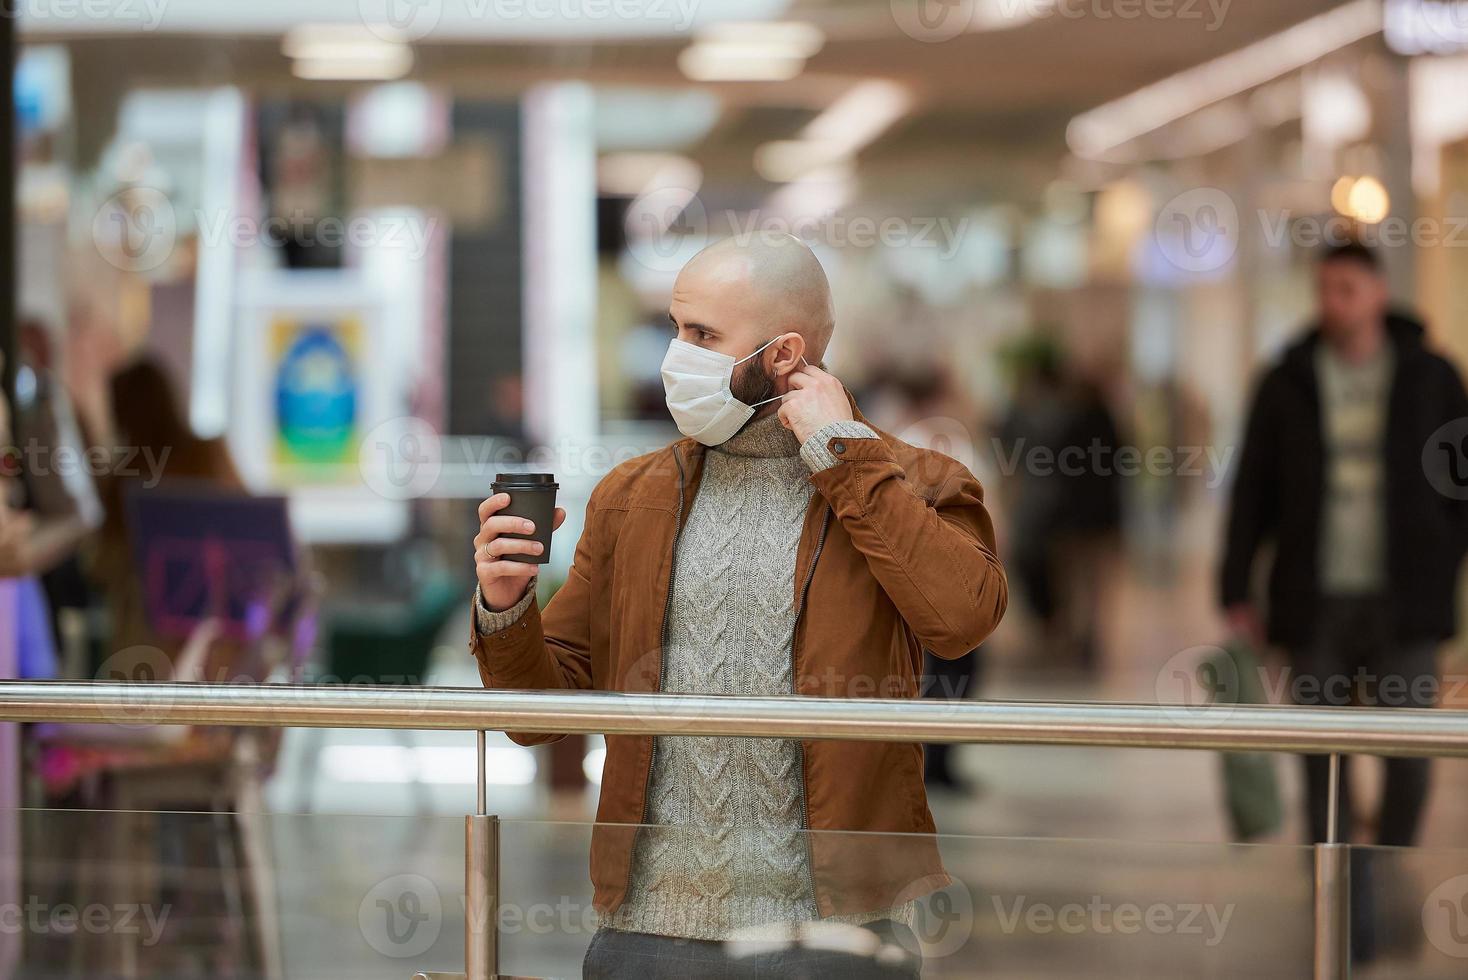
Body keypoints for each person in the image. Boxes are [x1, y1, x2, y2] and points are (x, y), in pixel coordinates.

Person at [470, 234, 1007, 977]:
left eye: (703, 336)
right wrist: (506, 605)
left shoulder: (917, 481)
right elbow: (538, 717)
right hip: (649, 926)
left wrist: (844, 457)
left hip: (837, 930)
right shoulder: (633, 495)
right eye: (674, 327)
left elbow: (962, 619)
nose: (674, 356)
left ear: (783, 354)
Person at [1221, 241, 1468, 958]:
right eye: (1325, 289)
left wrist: (1447, 554)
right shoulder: (1286, 381)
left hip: (1405, 603)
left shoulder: (1431, 376)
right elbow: (1252, 489)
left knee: (1411, 760)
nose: (1335, 304)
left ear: (1379, 291)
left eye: (1349, 289)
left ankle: (1384, 871)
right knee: (1319, 757)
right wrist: (1236, 585)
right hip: (1314, 601)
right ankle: (1346, 914)